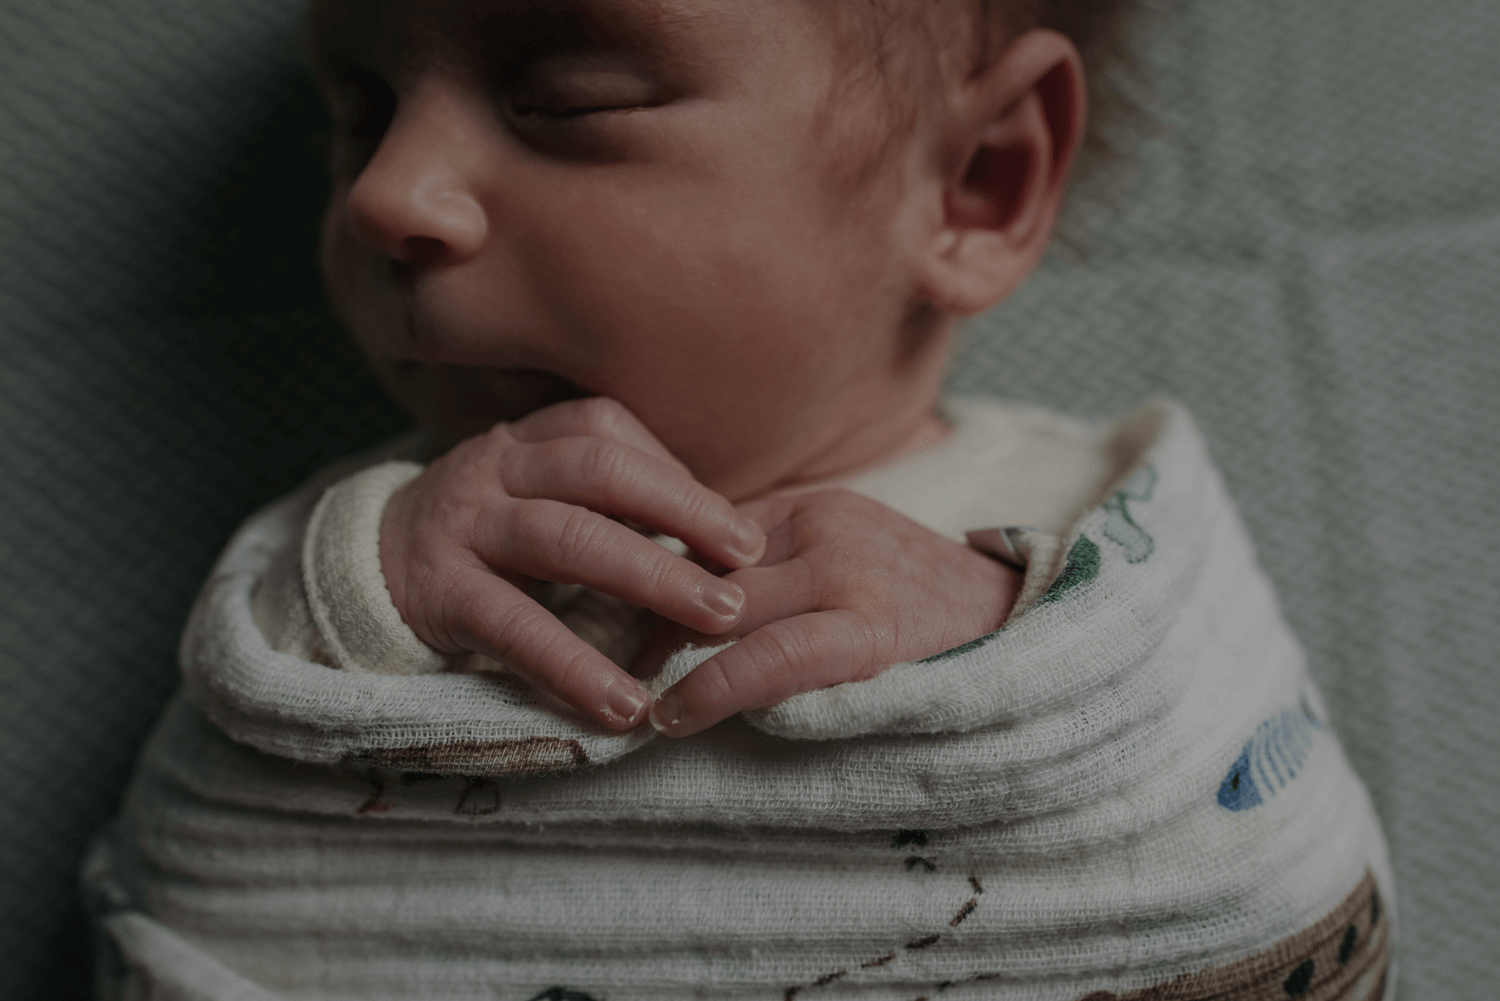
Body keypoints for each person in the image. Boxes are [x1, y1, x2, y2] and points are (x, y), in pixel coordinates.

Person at [84, 1, 1395, 998]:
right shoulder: (394, 532)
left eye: (564, 96)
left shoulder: (1079, 528)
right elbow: (237, 806)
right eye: (360, 108)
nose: (386, 194)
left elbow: (1226, 831)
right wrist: (366, 587)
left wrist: (999, 621)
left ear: (977, 179)